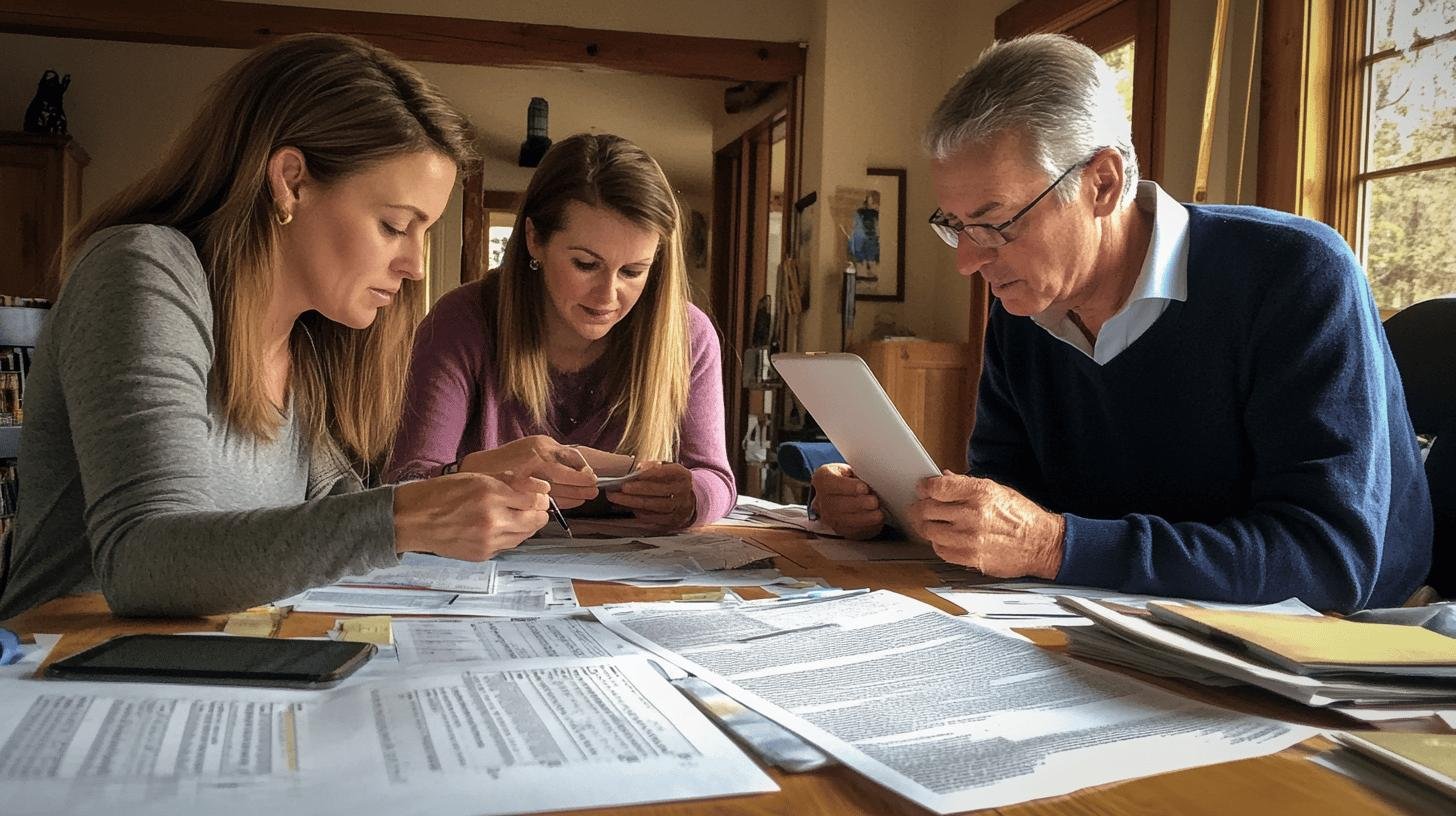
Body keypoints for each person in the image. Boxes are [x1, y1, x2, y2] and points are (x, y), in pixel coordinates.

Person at [811, 34, 1432, 613]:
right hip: (1122, 620)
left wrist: (1056, 547)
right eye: (953, 224)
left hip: (1341, 651)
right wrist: (893, 511)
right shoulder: (1023, 308)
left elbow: (1327, 562)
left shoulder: (1295, 274)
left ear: (1101, 183)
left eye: (995, 222)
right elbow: (1015, 504)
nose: (969, 261)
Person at [0, 34, 554, 620]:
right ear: (291, 180)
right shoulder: (143, 269)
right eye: (394, 225)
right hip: (62, 673)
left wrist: (463, 483)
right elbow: (142, 559)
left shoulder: (309, 339)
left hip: (213, 670)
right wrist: (406, 516)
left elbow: (329, 521)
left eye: (424, 233)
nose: (416, 265)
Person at [385, 134, 734, 531]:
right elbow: (403, 485)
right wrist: (487, 471)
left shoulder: (688, 335)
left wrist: (691, 500)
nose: (608, 295)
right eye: (586, 264)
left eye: (633, 272)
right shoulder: (463, 320)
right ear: (535, 239)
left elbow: (717, 479)